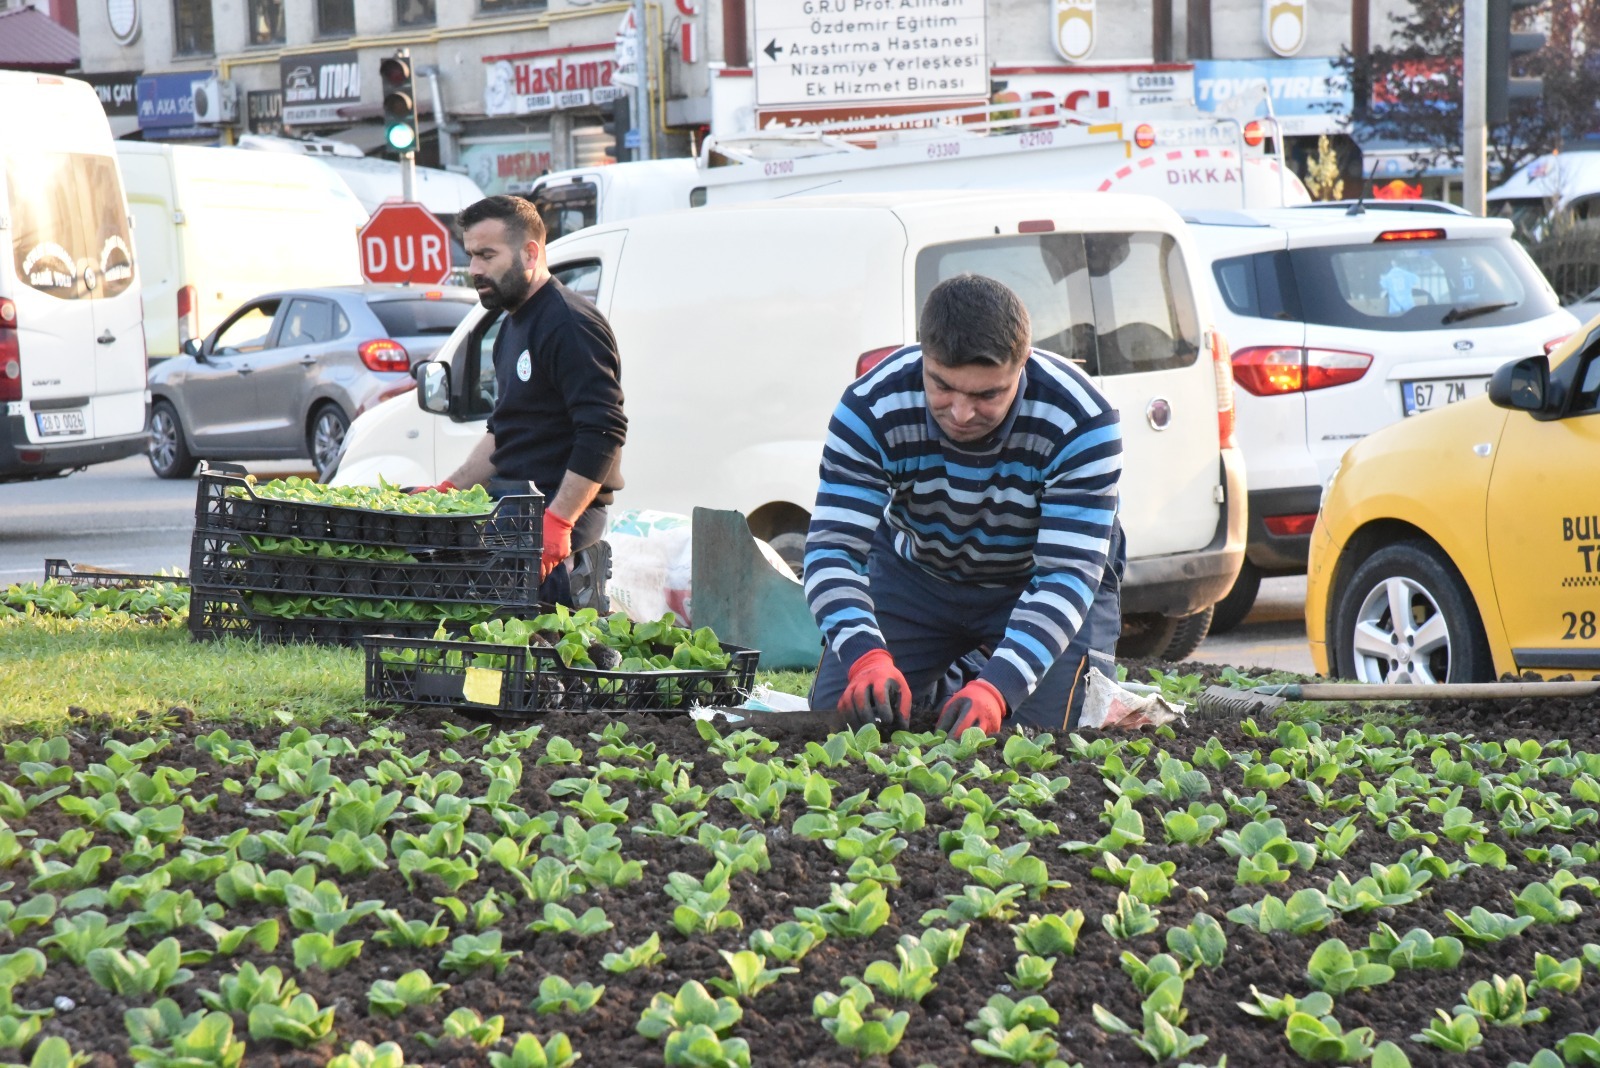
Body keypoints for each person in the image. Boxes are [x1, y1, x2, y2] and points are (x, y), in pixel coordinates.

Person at [804, 273, 1125, 736]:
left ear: (1023, 364)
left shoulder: (1082, 420)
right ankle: (952, 675)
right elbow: (832, 550)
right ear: (923, 355)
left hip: (1036, 578)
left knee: (1056, 738)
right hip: (917, 578)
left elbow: (1066, 574)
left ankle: (985, 669)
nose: (960, 413)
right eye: (942, 386)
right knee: (845, 717)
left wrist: (1000, 688)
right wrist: (866, 657)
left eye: (986, 394)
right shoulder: (870, 408)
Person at [423, 195, 626, 610]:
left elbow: (603, 431)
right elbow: (505, 434)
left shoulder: (569, 323)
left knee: (541, 658)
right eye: (471, 256)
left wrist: (558, 521)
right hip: (514, 511)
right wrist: (448, 489)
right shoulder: (511, 325)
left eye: (487, 255)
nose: (475, 269)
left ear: (530, 252)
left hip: (560, 521)